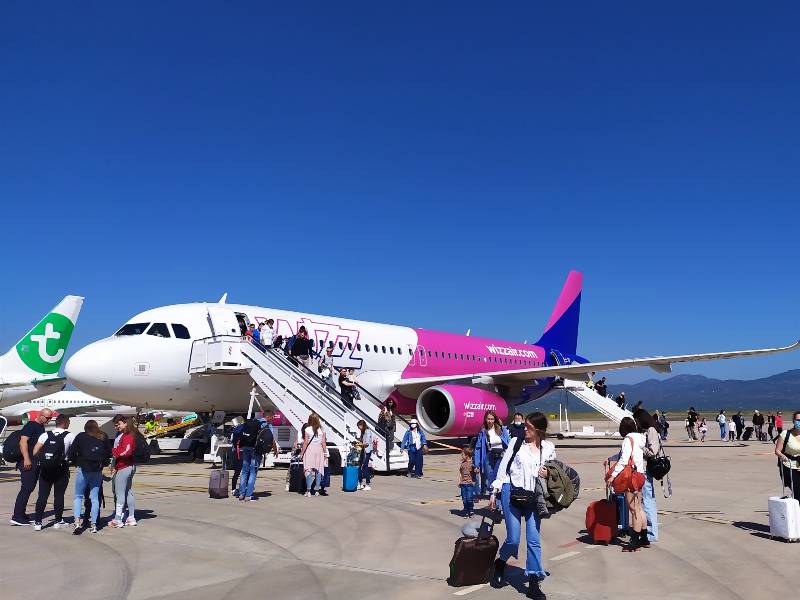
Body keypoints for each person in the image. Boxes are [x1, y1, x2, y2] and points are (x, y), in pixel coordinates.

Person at [489, 412, 555, 599]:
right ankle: (500, 563)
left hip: (534, 496)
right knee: (513, 539)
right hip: (512, 492)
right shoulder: (516, 443)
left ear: (538, 430)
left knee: (534, 539)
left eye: (529, 427)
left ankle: (534, 582)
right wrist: (495, 493)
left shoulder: (549, 447)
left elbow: (554, 471)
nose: (524, 429)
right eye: (525, 426)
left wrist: (547, 473)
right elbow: (503, 469)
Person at [606, 416, 648, 552]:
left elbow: (624, 460)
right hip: (641, 475)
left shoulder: (628, 440)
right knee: (639, 508)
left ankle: (634, 542)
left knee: (633, 510)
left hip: (632, 477)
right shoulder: (640, 438)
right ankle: (644, 538)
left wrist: (612, 476)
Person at [30, 414, 76, 531]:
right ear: (65, 423)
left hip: (45, 470)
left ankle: (38, 522)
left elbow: (35, 452)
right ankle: (57, 521)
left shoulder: (45, 435)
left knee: (42, 496)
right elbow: (75, 452)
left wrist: (45, 458)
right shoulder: (70, 436)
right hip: (61, 470)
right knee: (59, 496)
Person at [10, 408, 52, 526]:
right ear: (41, 415)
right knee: (26, 488)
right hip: (27, 463)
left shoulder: (40, 427)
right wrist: (27, 459)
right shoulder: (31, 425)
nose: (49, 419)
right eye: (48, 417)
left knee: (29, 488)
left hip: (34, 462)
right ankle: (17, 516)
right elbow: (23, 442)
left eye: (50, 417)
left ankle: (21, 514)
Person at [68, 419, 111, 533]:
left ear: (85, 428)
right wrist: (103, 464)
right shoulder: (103, 436)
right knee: (95, 498)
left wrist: (75, 462)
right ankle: (94, 524)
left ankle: (77, 523)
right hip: (97, 470)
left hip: (83, 469)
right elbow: (108, 453)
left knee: (78, 496)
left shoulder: (81, 437)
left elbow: (72, 452)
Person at [634, 410, 661, 543]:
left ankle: (651, 533)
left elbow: (653, 451)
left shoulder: (651, 430)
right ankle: (649, 530)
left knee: (648, 500)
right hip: (645, 469)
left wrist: (640, 448)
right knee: (648, 499)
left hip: (647, 469)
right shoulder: (649, 429)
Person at [110, 417, 140, 527]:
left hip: (124, 466)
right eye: (115, 425)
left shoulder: (127, 436)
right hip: (130, 466)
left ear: (126, 424)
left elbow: (126, 452)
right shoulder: (128, 435)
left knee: (120, 493)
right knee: (128, 492)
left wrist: (114, 451)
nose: (117, 426)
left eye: (118, 424)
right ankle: (131, 517)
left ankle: (118, 519)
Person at [473, 410, 510, 497]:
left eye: (492, 419)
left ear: (495, 419)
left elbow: (508, 442)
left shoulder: (501, 429)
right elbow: (478, 448)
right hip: (490, 456)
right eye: (488, 419)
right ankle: (492, 499)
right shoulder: (483, 432)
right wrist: (476, 464)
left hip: (501, 456)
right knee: (490, 478)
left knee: (500, 477)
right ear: (485, 419)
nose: (490, 421)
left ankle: (499, 501)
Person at [236, 416, 269, 501]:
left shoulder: (248, 424)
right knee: (253, 473)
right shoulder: (262, 424)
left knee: (244, 471)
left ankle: (241, 494)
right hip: (254, 449)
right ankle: (248, 495)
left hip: (245, 448)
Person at [775, 411, 800, 501]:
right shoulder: (786, 434)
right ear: (794, 421)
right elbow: (777, 450)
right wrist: (783, 457)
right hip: (789, 465)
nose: (799, 422)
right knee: (797, 489)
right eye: (798, 420)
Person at [301, 413, 327, 497]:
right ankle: (317, 491)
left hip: (309, 450)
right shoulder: (322, 430)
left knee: (308, 469)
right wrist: (325, 453)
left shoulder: (307, 429)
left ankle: (308, 491)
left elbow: (305, 442)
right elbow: (323, 442)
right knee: (318, 470)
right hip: (319, 450)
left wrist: (301, 453)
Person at [378, 399, 397, 470]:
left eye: (391, 402)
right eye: (389, 402)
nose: (390, 403)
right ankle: (386, 451)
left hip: (391, 426)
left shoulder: (392, 409)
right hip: (385, 426)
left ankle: (388, 450)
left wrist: (394, 427)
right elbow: (381, 418)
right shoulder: (384, 409)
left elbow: (393, 419)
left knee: (391, 438)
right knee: (387, 438)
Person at [458, 446, 478, 517]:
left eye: (462, 454)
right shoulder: (462, 464)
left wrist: (476, 470)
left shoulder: (472, 463)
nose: (461, 456)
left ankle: (471, 510)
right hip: (463, 484)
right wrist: (459, 481)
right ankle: (466, 510)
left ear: (467, 455)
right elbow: (460, 473)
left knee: (469, 498)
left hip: (469, 484)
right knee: (464, 499)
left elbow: (476, 471)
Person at [356, 420, 375, 491]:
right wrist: (358, 444)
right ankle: (360, 483)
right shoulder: (363, 432)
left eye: (359, 426)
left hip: (367, 451)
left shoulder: (367, 431)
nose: (359, 428)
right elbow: (363, 442)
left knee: (364, 467)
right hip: (363, 451)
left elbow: (367, 443)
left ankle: (367, 484)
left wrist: (359, 444)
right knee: (359, 467)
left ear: (362, 425)